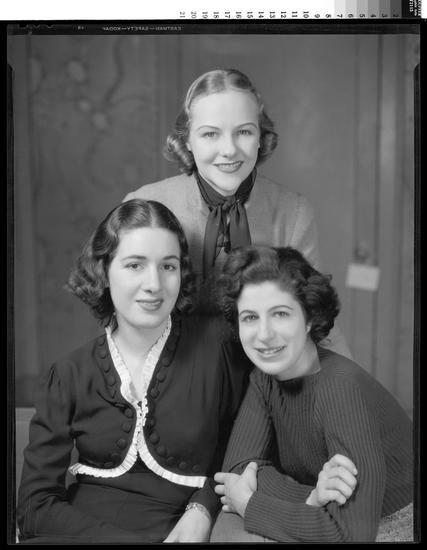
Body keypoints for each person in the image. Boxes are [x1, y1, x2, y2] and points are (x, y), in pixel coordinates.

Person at [16, 199, 251, 544]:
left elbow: (244, 451)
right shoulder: (67, 375)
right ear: (104, 271)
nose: (154, 284)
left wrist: (202, 509)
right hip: (79, 535)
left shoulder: (219, 349)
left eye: (168, 266)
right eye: (135, 265)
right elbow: (34, 507)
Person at [124, 68, 350, 358]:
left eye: (244, 132)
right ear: (188, 140)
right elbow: (126, 316)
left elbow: (313, 317)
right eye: (210, 134)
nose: (229, 150)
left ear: (261, 136)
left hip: (262, 366)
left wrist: (348, 379)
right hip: (169, 365)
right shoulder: (145, 204)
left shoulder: (293, 212)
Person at [211, 246, 413, 543]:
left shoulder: (340, 388)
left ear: (309, 318)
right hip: (325, 512)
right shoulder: (264, 377)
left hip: (391, 526)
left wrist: (250, 505)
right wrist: (312, 496)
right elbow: (237, 469)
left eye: (280, 314)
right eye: (250, 317)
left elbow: (351, 534)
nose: (264, 335)